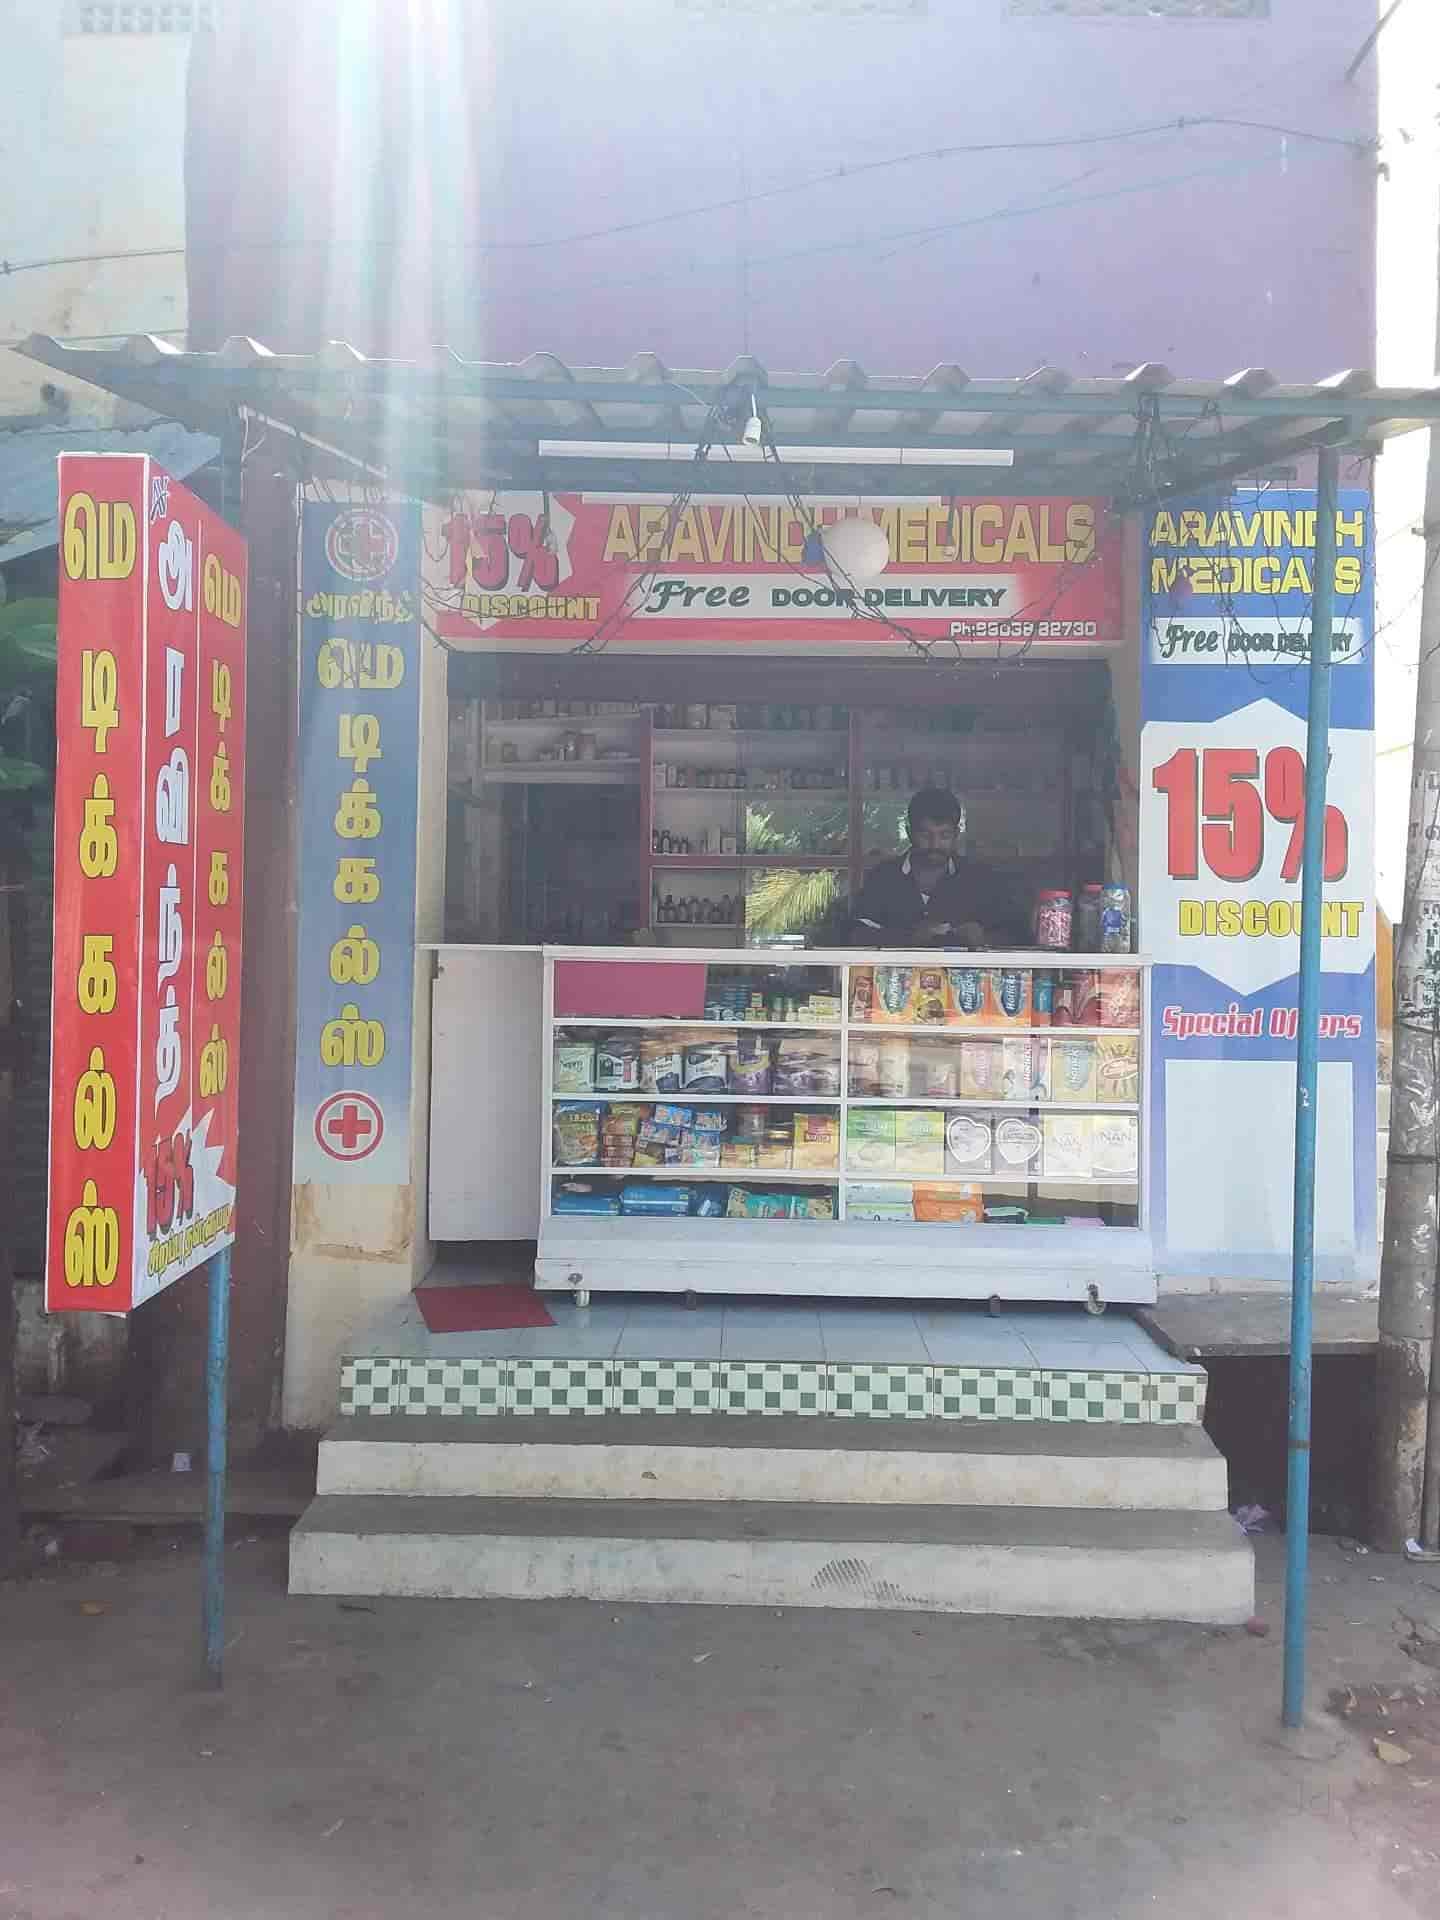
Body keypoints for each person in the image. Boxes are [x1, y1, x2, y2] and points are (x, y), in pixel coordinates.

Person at [850, 787, 1021, 947]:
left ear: (956, 834)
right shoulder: (883, 877)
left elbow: (1017, 935)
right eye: (925, 835)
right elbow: (855, 935)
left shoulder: (980, 879)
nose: (935, 844)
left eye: (944, 835)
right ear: (910, 834)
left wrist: (983, 938)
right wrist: (909, 937)